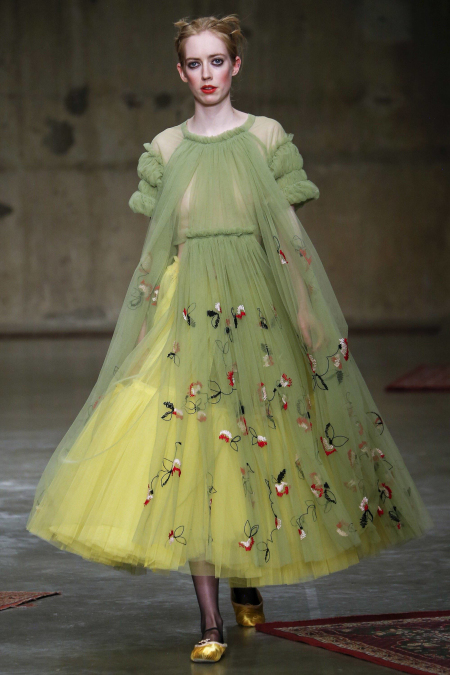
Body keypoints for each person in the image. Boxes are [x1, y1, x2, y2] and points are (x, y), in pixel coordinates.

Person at [26, 14, 433, 664]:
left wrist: (306, 309)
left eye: (217, 60)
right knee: (193, 448)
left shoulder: (267, 138)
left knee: (252, 438)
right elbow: (159, 250)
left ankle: (244, 577)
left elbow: (288, 238)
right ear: (180, 71)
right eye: (195, 63)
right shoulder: (165, 149)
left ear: (236, 65)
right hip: (186, 309)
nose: (207, 73)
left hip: (258, 304)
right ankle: (210, 619)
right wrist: (143, 327)